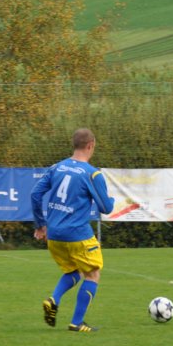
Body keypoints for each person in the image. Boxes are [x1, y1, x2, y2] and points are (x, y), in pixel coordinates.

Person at [30, 128, 115, 333]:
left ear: (74, 144)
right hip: (77, 235)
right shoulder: (92, 174)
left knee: (73, 271)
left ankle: (53, 299)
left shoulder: (57, 167)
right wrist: (111, 199)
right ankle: (77, 322)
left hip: (54, 235)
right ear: (91, 145)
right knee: (92, 274)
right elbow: (106, 208)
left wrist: (40, 225)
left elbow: (35, 194)